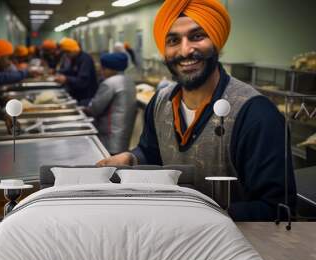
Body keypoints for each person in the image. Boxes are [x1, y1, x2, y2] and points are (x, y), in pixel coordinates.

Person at [97, 0, 297, 221]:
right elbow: (152, 152)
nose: (185, 50)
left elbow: (277, 208)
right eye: (173, 40)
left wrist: (200, 216)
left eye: (197, 36)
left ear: (217, 43)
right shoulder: (160, 103)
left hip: (235, 247)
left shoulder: (256, 114)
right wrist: (132, 158)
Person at [85, 52, 137, 155]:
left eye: (104, 69)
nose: (101, 71)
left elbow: (95, 109)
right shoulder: (129, 80)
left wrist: (85, 108)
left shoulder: (109, 83)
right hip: (123, 135)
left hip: (110, 137)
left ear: (113, 69)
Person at [54, 38, 98, 106]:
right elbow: (71, 71)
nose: (66, 55)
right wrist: (58, 72)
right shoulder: (75, 58)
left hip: (86, 97)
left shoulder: (85, 59)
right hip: (77, 94)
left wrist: (66, 79)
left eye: (67, 53)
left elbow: (82, 81)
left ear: (73, 50)